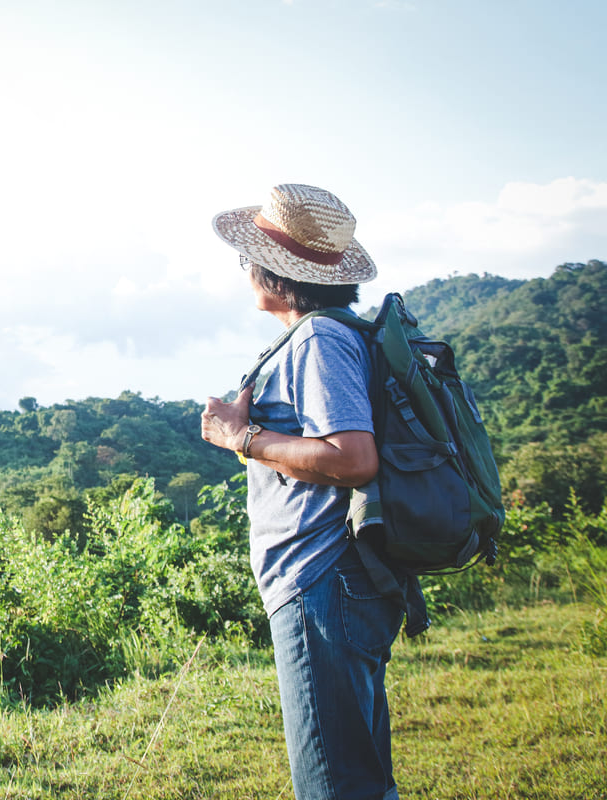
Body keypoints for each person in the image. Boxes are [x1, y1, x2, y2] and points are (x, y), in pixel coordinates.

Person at [199, 184, 404, 800]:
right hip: (340, 575)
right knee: (360, 774)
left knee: (334, 784)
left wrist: (243, 437)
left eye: (248, 260)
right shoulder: (329, 335)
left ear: (278, 274)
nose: (245, 271)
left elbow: (353, 458)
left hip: (321, 574)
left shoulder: (319, 340)